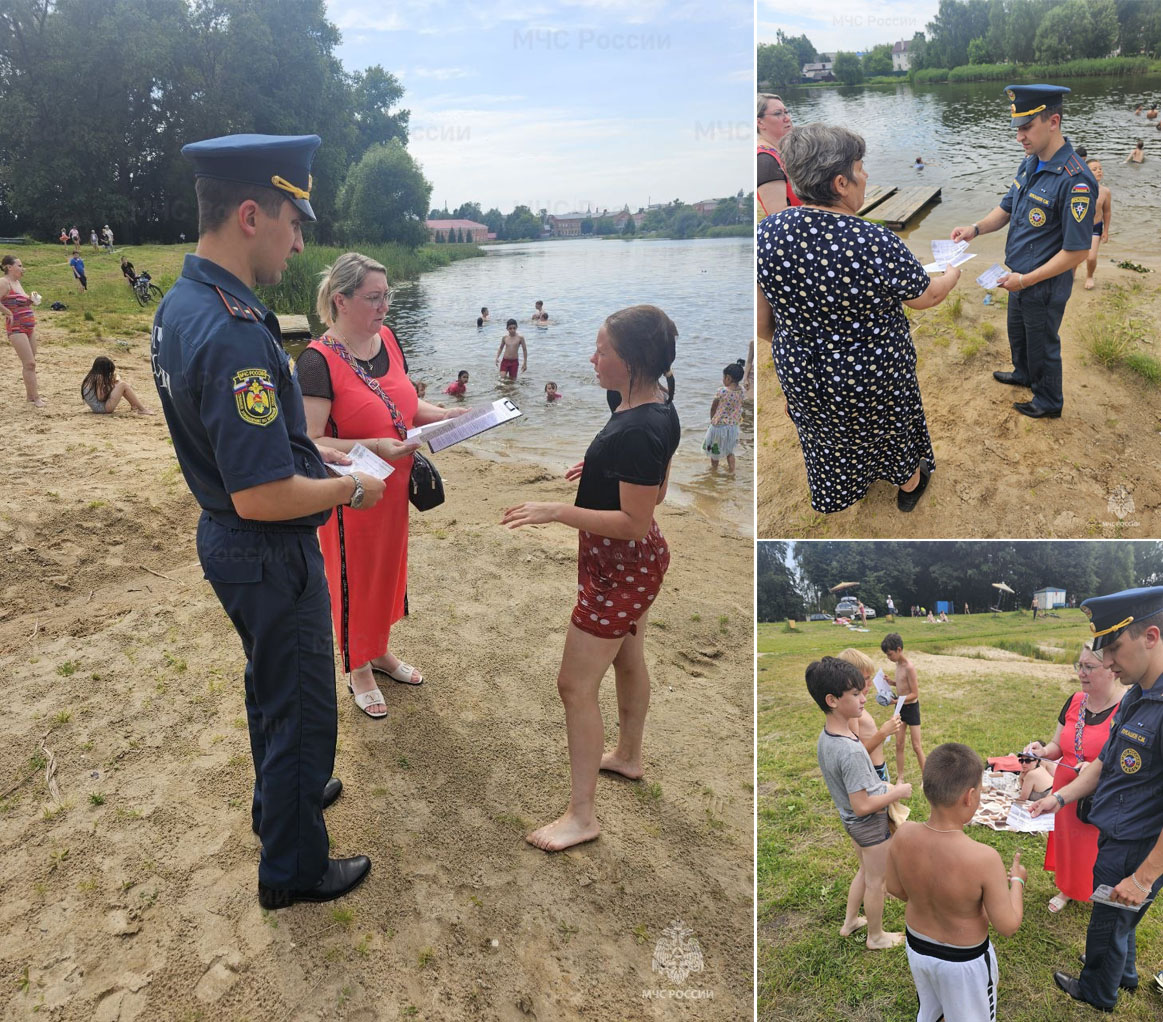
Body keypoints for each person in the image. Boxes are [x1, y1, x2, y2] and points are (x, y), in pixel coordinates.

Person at [150, 133, 386, 909]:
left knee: (272, 690)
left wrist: (330, 461)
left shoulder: (184, 305)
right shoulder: (232, 331)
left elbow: (255, 456)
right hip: (262, 544)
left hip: (232, 543)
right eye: (293, 220)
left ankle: (278, 803)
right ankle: (293, 870)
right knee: (304, 709)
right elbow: (263, 492)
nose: (300, 239)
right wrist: (349, 487)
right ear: (251, 214)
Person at [501, 305, 680, 852]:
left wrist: (557, 510)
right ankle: (627, 756)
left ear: (629, 362)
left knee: (574, 685)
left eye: (602, 350)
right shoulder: (652, 401)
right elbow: (650, 485)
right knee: (628, 657)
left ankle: (582, 816)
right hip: (633, 562)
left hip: (623, 566)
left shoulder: (644, 427)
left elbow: (637, 520)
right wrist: (601, 471)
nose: (592, 357)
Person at [758, 123, 959, 515]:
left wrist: (798, 350)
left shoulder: (766, 234)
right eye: (861, 168)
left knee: (827, 435)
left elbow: (763, 321)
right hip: (872, 372)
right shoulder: (873, 240)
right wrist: (952, 272)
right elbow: (927, 297)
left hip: (803, 370)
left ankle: (850, 484)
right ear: (841, 183)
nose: (866, 175)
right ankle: (909, 483)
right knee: (889, 426)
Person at [298, 252, 464, 718]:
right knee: (355, 576)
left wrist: (445, 417)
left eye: (387, 295)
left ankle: (379, 649)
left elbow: (405, 407)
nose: (384, 306)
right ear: (341, 300)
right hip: (351, 489)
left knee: (390, 572)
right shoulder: (316, 361)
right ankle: (357, 667)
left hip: (397, 483)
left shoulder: (387, 339)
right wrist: (374, 443)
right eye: (373, 297)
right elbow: (310, 441)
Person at [1030, 587, 1163, 1012]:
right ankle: (1124, 975)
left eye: (1115, 648)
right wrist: (1059, 798)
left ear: (1151, 637)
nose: (1106, 662)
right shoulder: (1138, 694)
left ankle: (1096, 991)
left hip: (1136, 846)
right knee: (1123, 919)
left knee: (1107, 921)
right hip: (1117, 834)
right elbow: (1104, 763)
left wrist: (1143, 878)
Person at [951, 85, 1096, 420]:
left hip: (1041, 282)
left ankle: (1048, 400)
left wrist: (1027, 279)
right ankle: (1023, 374)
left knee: (1043, 342)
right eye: (1017, 128)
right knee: (1018, 332)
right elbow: (1006, 208)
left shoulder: (1075, 180)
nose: (1019, 136)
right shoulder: (1030, 163)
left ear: (1054, 121)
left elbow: (1077, 251)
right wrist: (975, 229)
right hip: (1016, 274)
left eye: (1027, 127)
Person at [885, 743, 1026, 1022]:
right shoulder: (983, 858)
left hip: (918, 947)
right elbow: (1007, 925)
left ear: (926, 788)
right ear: (970, 796)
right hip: (964, 961)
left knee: (932, 1007)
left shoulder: (903, 836)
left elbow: (895, 888)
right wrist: (1018, 881)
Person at [806, 656, 912, 949]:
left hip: (851, 824)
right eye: (855, 694)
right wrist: (897, 792)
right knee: (877, 881)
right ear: (832, 700)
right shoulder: (850, 751)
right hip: (867, 825)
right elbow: (863, 806)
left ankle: (851, 921)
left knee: (865, 872)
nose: (864, 698)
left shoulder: (826, 737)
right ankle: (875, 936)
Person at [1023, 642, 1125, 914]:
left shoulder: (1126, 708)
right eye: (1079, 665)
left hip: (1102, 794)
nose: (1081, 672)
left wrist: (1094, 767)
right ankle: (1068, 888)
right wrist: (1042, 751)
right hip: (1065, 790)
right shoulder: (1074, 700)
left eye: (1089, 667)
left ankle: (1098, 892)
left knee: (1096, 848)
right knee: (1069, 844)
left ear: (1112, 670)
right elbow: (1059, 745)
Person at [836, 648, 903, 785]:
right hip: (873, 772)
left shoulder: (856, 707)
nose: (870, 683)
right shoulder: (852, 714)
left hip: (878, 769)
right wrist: (884, 732)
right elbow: (857, 755)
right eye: (866, 679)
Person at [1, 254, 46, 407]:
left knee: (31, 363)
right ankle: (36, 398)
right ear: (9, 267)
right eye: (19, 265)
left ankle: (30, 397)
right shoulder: (4, 282)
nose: (22, 268)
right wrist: (7, 312)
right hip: (16, 327)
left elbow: (22, 302)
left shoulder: (18, 282)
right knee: (29, 363)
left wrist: (32, 299)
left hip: (29, 326)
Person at [883, 633, 925, 780]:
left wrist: (896, 701)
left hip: (911, 709)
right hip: (900, 708)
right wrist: (892, 682)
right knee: (899, 744)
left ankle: (926, 777)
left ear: (899, 649)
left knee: (916, 746)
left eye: (890, 654)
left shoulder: (909, 667)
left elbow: (914, 694)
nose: (889, 658)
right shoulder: (898, 664)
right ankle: (900, 777)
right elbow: (902, 684)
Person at [755, 93, 800, 219]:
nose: (787, 118)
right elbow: (779, 215)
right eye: (778, 113)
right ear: (760, 123)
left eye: (786, 112)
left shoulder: (781, 152)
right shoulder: (764, 159)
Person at [702, 359, 745, 472]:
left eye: (723, 377)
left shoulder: (722, 391)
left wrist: (712, 420)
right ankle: (732, 471)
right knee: (729, 452)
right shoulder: (741, 391)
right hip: (733, 427)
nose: (723, 380)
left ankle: (714, 470)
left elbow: (713, 407)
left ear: (728, 378)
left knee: (714, 452)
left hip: (718, 427)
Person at [80, 356, 153, 415]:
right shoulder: (99, 377)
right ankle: (142, 409)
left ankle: (134, 405)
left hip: (97, 408)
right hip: (103, 408)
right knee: (123, 385)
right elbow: (101, 397)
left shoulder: (91, 376)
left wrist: (111, 384)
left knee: (119, 384)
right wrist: (111, 387)